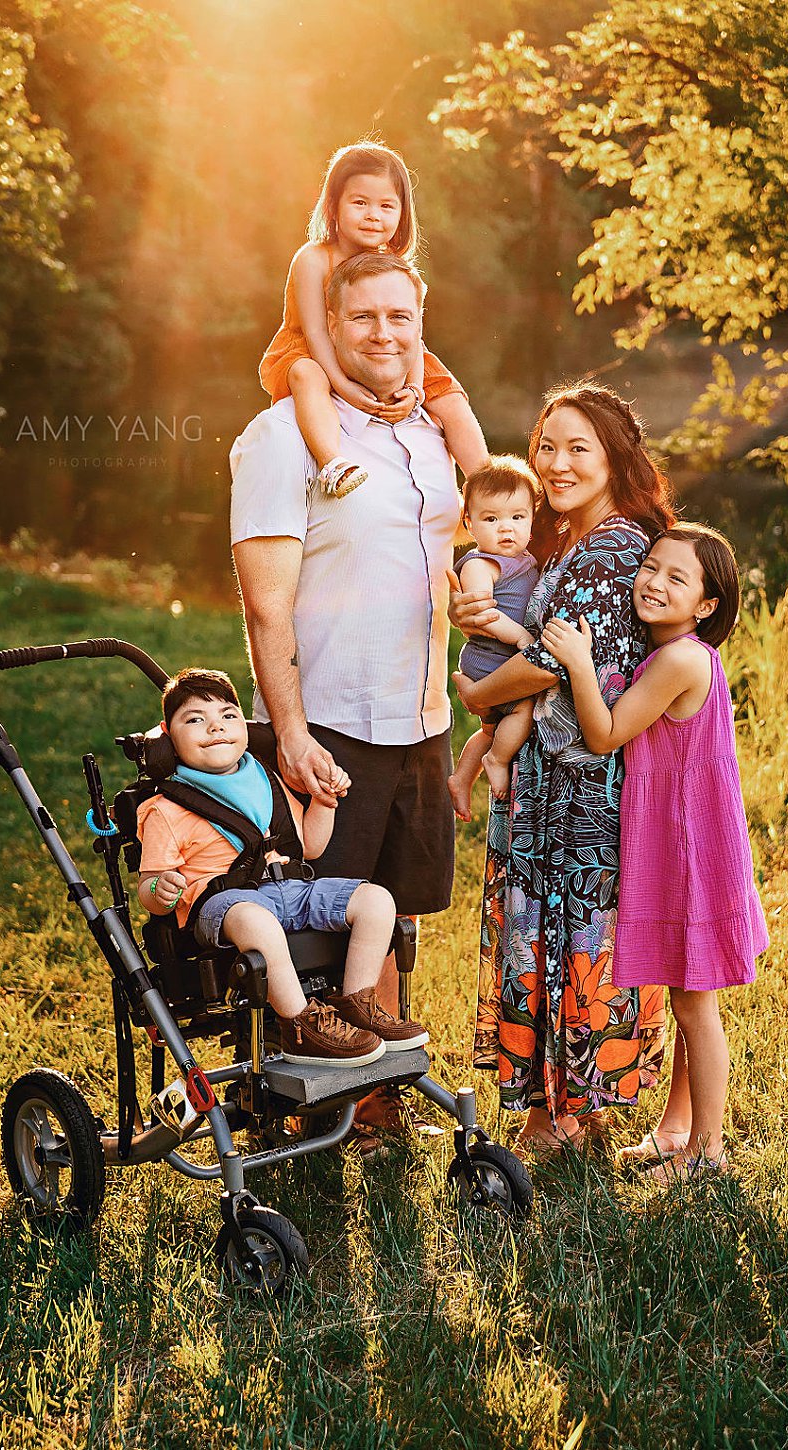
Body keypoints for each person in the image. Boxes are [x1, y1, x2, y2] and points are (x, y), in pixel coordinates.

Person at [231, 249, 461, 1152]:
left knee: (394, 914)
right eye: (362, 317)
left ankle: (379, 1103)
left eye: (400, 317)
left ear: (420, 321)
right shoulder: (284, 435)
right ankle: (301, 1111)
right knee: (318, 912)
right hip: (331, 716)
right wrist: (287, 729)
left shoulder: (429, 434)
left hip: (422, 715)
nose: (384, 334)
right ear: (330, 322)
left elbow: (468, 546)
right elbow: (265, 598)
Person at [453, 382, 674, 1155]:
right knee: (547, 935)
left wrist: (478, 694)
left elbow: (550, 656)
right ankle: (566, 1110)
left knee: (570, 933)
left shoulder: (615, 543)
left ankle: (563, 1114)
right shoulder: (568, 540)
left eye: (578, 446)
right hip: (548, 776)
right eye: (547, 444)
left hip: (580, 783)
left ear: (615, 456)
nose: (555, 462)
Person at [538, 522, 768, 1183]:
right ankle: (681, 1136)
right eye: (651, 568)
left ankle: (708, 1153)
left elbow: (606, 733)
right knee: (689, 993)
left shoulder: (680, 659)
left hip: (691, 848)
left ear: (707, 605)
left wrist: (579, 663)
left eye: (677, 578)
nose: (653, 583)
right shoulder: (671, 653)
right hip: (688, 839)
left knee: (696, 1003)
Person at [133, 668, 428, 1067]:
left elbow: (310, 846)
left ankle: (358, 1004)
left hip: (291, 889)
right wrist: (160, 889)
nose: (215, 727)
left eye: (227, 715)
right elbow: (150, 892)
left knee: (376, 899)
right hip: (226, 903)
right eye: (195, 720)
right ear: (168, 738)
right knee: (256, 920)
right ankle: (301, 1024)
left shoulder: (265, 779)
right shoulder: (165, 809)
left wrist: (323, 802)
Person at [256, 141, 488, 496]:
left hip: (379, 348)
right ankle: (332, 463)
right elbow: (317, 330)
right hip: (311, 349)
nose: (373, 215)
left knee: (450, 396)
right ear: (334, 206)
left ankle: (489, 485)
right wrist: (343, 385)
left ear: (402, 213)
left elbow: (414, 335)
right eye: (359, 203)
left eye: (386, 206)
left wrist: (414, 389)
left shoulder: (396, 266)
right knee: (307, 375)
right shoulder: (314, 259)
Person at [446, 458, 543, 820]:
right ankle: (497, 760)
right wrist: (520, 636)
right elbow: (482, 614)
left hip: (499, 656)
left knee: (490, 728)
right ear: (469, 524)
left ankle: (461, 777)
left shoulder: (522, 558)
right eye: (491, 519)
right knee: (522, 708)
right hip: (490, 656)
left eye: (518, 518)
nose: (507, 529)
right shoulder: (480, 564)